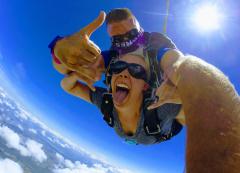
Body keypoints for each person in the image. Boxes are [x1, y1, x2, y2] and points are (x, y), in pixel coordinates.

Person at [49, 8, 240, 173]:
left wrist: (186, 83)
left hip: (157, 116)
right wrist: (59, 50)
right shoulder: (113, 61)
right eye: (118, 40)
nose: (125, 45)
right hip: (139, 122)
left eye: (131, 36)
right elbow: (75, 66)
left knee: (183, 111)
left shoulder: (156, 49)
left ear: (140, 32)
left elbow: (178, 65)